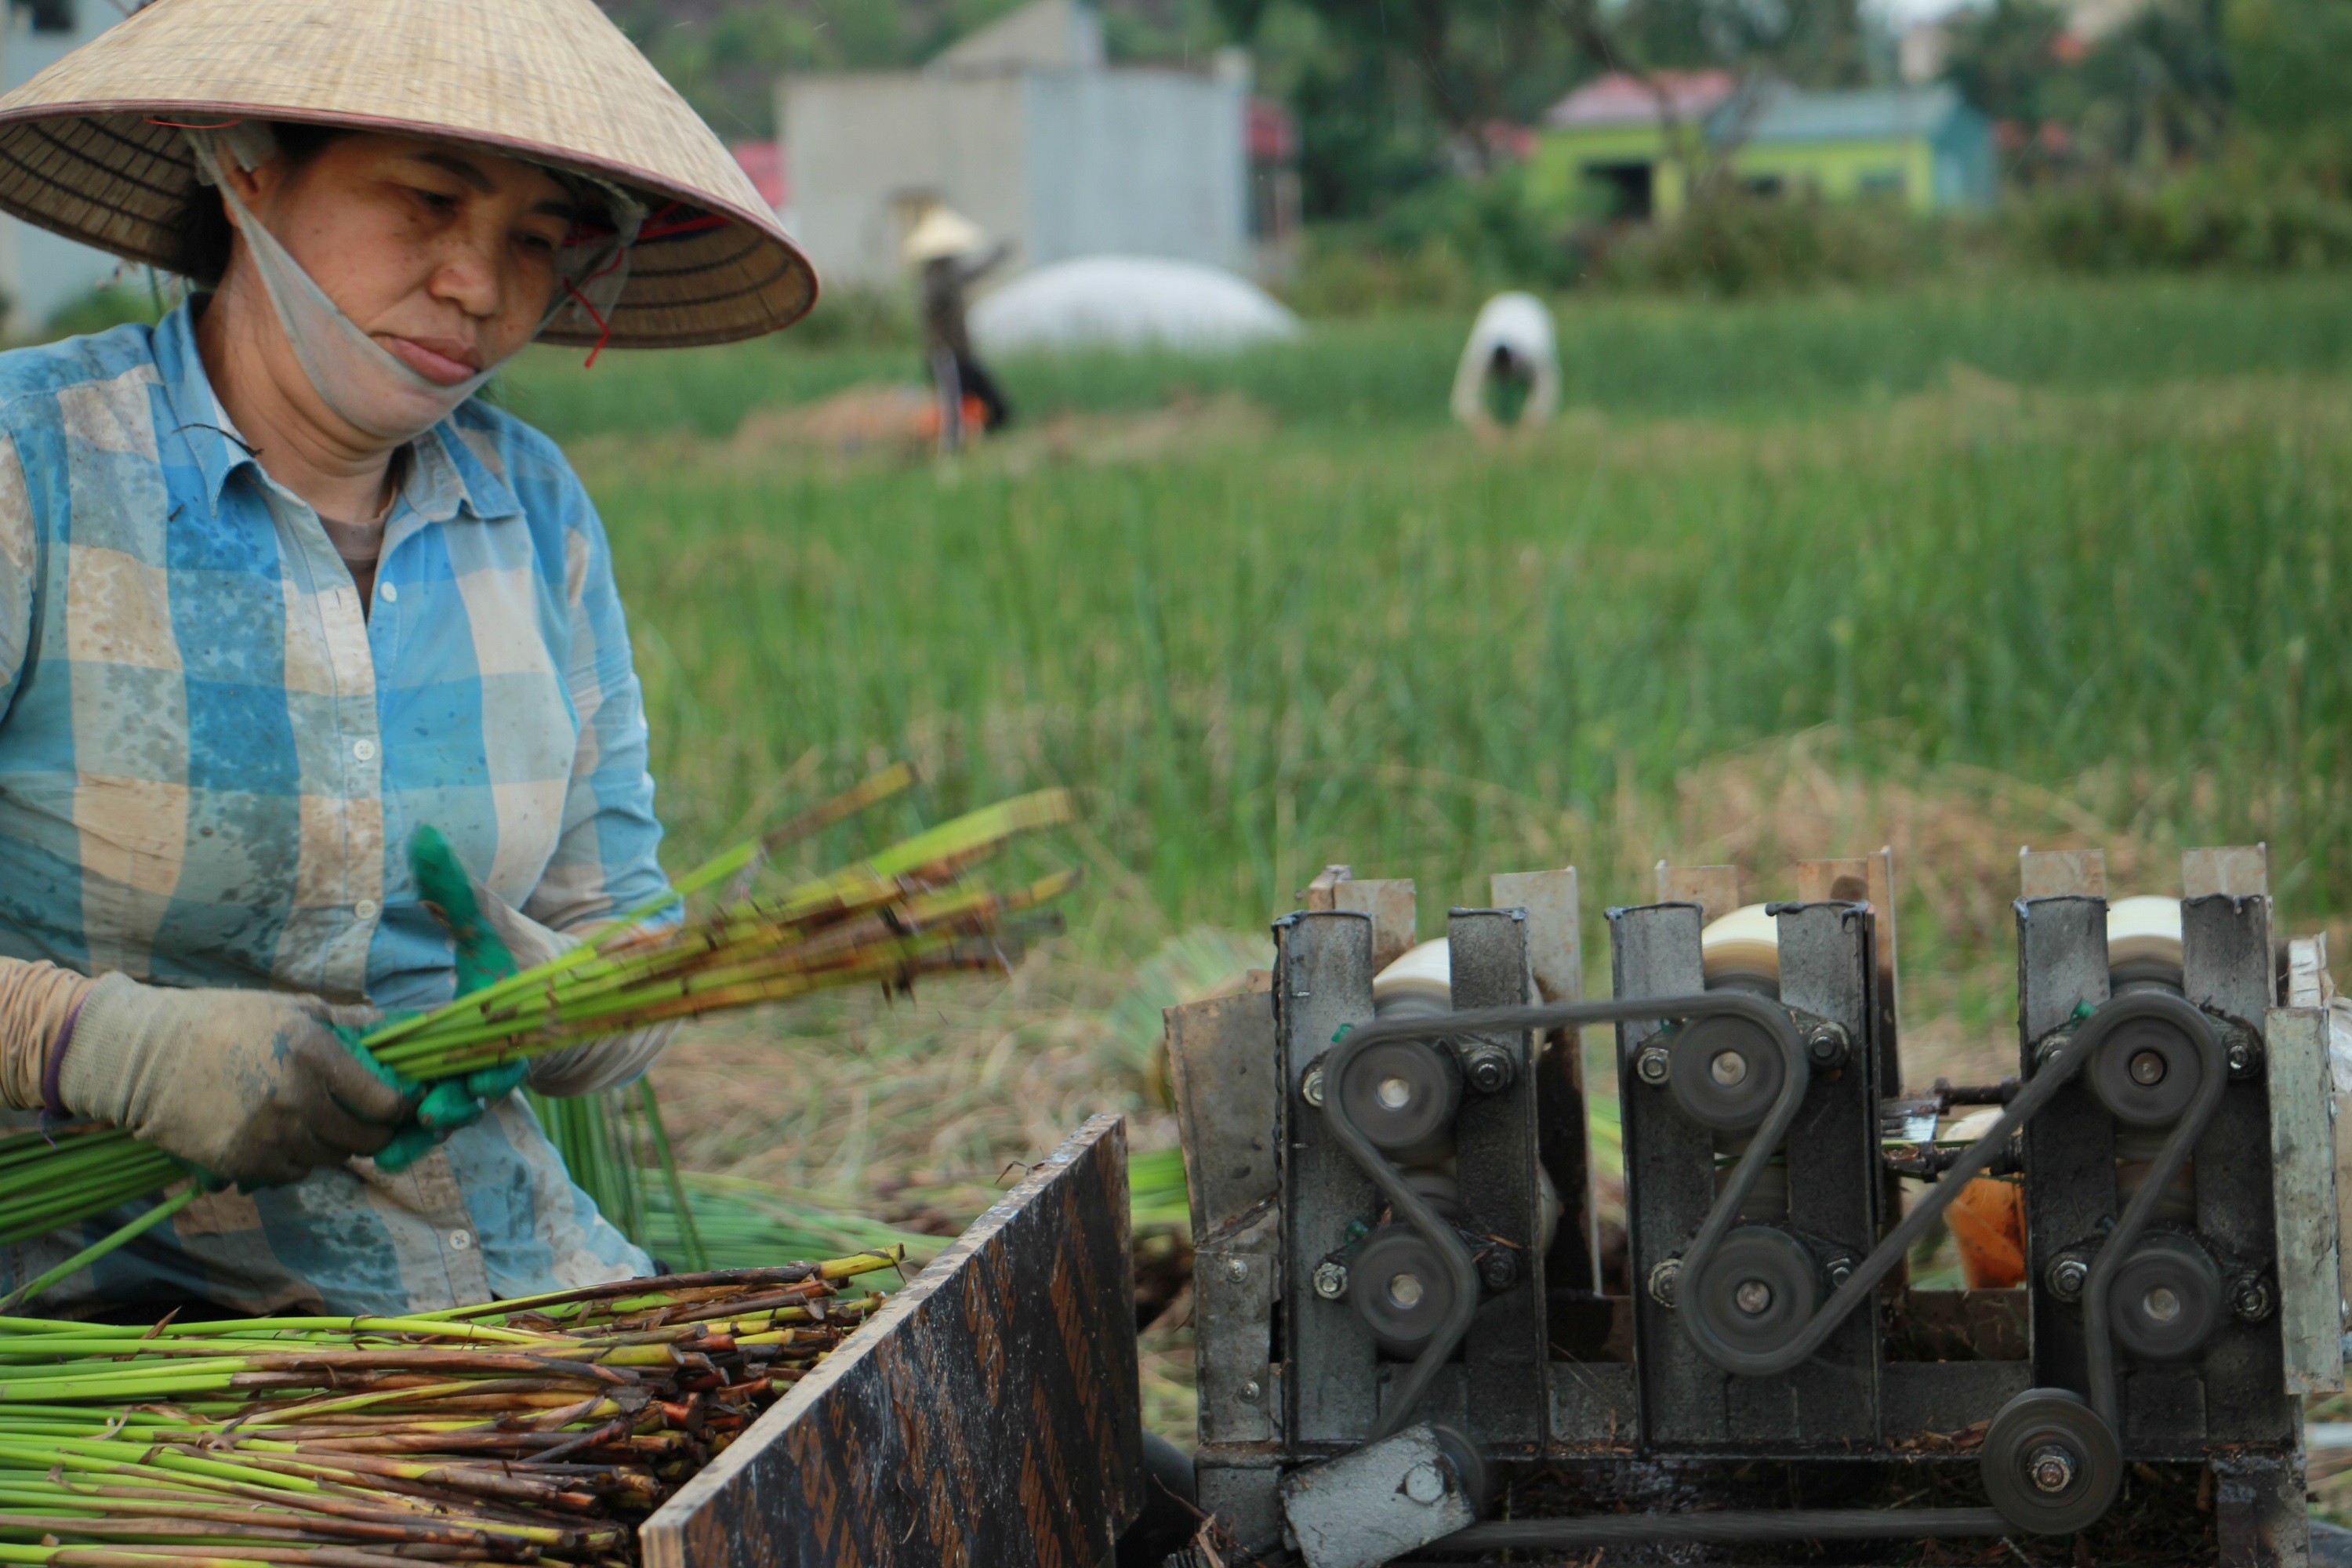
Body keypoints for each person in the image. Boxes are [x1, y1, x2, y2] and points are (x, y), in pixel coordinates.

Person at [0, 0, 815, 1317]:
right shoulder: (32, 468)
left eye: (537, 241)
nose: (480, 288)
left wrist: (552, 1002)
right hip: (134, 1331)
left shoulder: (532, 511)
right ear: (248, 160)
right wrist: (104, 1046)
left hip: (519, 1294)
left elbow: (634, 951)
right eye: (429, 200)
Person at [906, 205, 1014, 450]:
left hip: (962, 353)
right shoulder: (932, 281)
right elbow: (935, 295)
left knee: (990, 397)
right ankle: (951, 446)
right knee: (951, 401)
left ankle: (981, 433)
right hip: (944, 355)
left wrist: (997, 257)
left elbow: (972, 273)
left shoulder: (950, 275)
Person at [1450, 290, 1562, 436]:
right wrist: (1484, 429)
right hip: (1496, 313)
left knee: (1537, 399)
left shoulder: (1535, 347)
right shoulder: (1481, 349)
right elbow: (1464, 396)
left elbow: (1547, 392)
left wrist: (1530, 427)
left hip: (1532, 317)